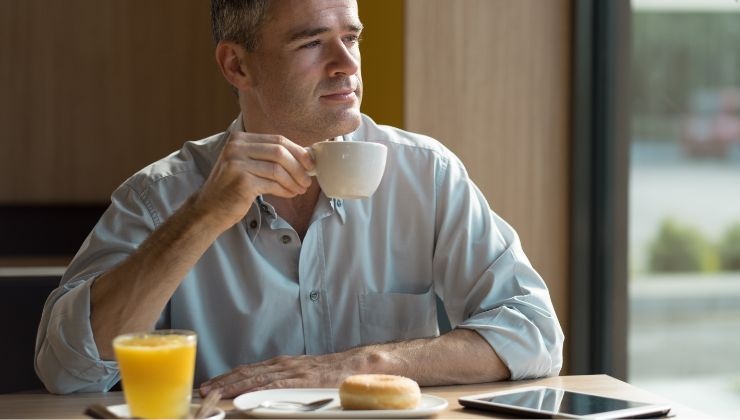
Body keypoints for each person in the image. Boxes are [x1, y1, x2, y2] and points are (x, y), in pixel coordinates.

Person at [35, 0, 564, 396]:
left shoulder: (426, 174)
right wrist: (202, 217)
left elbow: (535, 333)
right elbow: (68, 370)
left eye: (352, 39)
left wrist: (356, 365)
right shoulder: (160, 195)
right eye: (312, 43)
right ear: (237, 66)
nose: (347, 65)